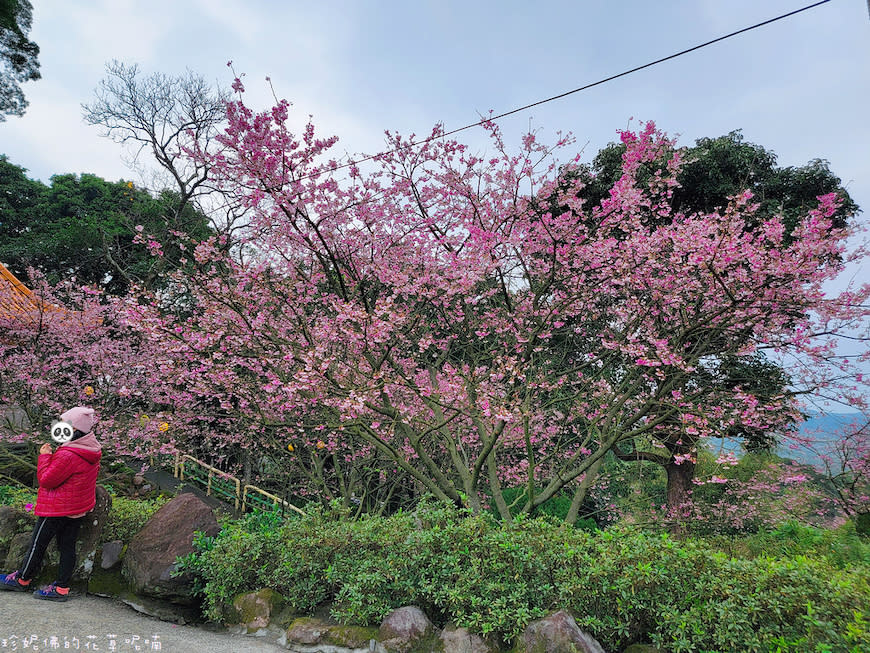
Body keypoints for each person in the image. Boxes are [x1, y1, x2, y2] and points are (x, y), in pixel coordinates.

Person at [0, 406, 102, 601]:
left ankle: (22, 579)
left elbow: (46, 480)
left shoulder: (68, 454)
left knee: (38, 543)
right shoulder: (90, 447)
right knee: (67, 546)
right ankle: (61, 588)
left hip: (57, 509)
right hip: (76, 509)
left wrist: (45, 456)